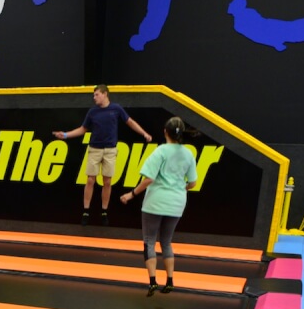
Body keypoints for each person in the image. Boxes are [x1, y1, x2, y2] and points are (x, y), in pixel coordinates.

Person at [119, 116, 198, 296]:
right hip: (177, 203)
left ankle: (153, 281)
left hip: (155, 202)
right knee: (166, 242)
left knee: (149, 241)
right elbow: (193, 183)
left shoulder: (160, 151)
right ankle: (170, 280)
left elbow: (149, 179)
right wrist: (180, 189)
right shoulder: (188, 154)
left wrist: (131, 194)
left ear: (165, 132)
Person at [54, 85, 153, 226]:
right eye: (93, 95)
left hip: (110, 150)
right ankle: (86, 211)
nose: (94, 98)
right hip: (94, 149)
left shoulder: (116, 108)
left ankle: (104, 211)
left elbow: (130, 122)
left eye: (96, 95)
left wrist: (144, 133)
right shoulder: (92, 112)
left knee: (107, 181)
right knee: (90, 180)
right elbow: (82, 129)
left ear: (105, 94)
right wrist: (65, 135)